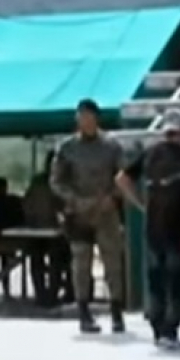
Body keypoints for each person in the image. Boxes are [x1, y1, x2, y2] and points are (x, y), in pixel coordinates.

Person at [116, 109, 180, 350]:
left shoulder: (149, 154)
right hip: (179, 228)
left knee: (156, 279)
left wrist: (140, 205)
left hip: (153, 228)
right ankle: (170, 331)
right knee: (176, 282)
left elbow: (121, 179)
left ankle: (157, 330)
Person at [51, 99, 127, 334]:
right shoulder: (67, 147)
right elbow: (56, 180)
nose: (83, 122)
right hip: (78, 212)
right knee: (81, 264)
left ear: (96, 118)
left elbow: (123, 174)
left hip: (105, 211)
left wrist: (112, 197)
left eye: (87, 117)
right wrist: (72, 199)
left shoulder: (112, 145)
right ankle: (84, 312)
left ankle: (116, 311)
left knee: (112, 262)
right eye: (80, 118)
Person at [22, 162, 68, 306]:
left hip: (36, 228)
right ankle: (52, 295)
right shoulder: (62, 180)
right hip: (53, 228)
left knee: (37, 262)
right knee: (57, 261)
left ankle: (41, 294)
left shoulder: (37, 181)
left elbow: (27, 203)